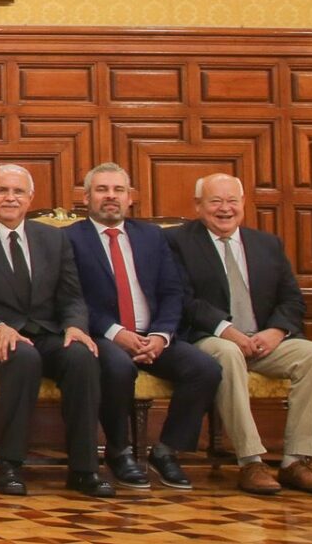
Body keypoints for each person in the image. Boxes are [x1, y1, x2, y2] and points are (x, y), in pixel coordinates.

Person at [0, 164, 111, 498]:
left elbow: (72, 296)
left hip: (48, 333)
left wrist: (76, 326)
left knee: (82, 357)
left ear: (30, 197)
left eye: (18, 191)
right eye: (2, 190)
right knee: (22, 357)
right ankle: (10, 466)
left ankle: (84, 469)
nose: (10, 198)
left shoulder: (54, 238)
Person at [167, 172, 312, 495]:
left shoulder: (267, 244)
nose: (225, 209)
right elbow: (182, 299)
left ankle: (296, 461)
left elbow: (292, 300)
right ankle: (251, 461)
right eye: (215, 201)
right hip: (210, 337)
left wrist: (276, 331)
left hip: (263, 340)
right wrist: (227, 330)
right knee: (228, 353)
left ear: (244, 203)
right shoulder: (177, 242)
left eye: (232, 200)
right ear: (198, 205)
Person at [65, 162, 221, 491]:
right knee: (118, 367)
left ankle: (166, 451)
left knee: (205, 368)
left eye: (118, 190)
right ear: (86, 197)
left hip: (153, 336)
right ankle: (119, 451)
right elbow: (70, 297)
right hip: (102, 336)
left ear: (130, 197)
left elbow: (172, 291)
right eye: (102, 190)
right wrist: (116, 333)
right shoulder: (68, 239)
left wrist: (161, 335)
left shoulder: (151, 236)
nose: (111, 196)